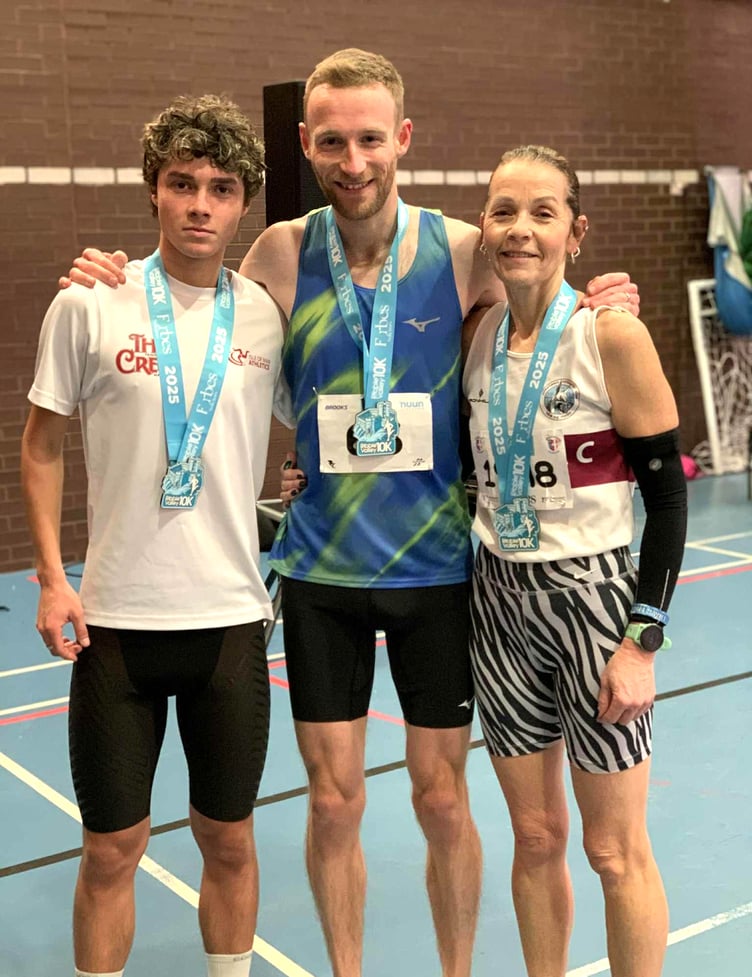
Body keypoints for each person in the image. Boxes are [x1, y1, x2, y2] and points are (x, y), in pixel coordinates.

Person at [60, 51, 641, 977]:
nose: (354, 158)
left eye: (372, 137)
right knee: (333, 804)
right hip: (324, 574)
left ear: (401, 138)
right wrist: (109, 274)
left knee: (442, 799)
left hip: (440, 573)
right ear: (307, 144)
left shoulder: (461, 250)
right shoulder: (278, 253)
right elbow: (195, 319)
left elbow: (546, 302)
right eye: (333, 140)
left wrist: (607, 295)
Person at [21, 94, 290, 977]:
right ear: (153, 192)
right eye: (182, 185)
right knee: (110, 848)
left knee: (231, 839)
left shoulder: (263, 315)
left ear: (244, 201)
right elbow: (41, 442)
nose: (200, 206)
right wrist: (53, 578)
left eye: (219, 188)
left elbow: (317, 419)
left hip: (228, 622)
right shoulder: (91, 304)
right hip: (116, 626)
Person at [462, 144, 687, 977]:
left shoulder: (611, 335)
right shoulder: (478, 337)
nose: (520, 229)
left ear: (576, 232)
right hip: (499, 603)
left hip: (593, 600)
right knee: (533, 835)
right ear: (484, 228)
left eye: (542, 212)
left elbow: (667, 501)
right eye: (503, 211)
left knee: (613, 847)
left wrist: (642, 639)